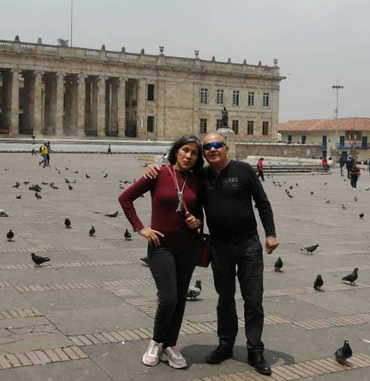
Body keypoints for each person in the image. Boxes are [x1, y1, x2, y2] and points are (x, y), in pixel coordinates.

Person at [146, 133, 278, 375]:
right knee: (224, 299)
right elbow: (178, 182)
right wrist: (152, 169)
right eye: (207, 147)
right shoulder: (201, 176)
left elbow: (263, 203)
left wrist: (270, 234)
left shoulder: (245, 171)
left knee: (253, 299)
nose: (212, 149)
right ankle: (225, 344)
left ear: (226, 148)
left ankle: (254, 350)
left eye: (217, 145)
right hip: (219, 246)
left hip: (248, 244)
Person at [119, 135, 204, 369]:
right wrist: (141, 228)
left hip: (188, 247)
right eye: (185, 150)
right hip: (161, 247)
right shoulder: (158, 174)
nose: (188, 156)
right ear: (176, 151)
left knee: (180, 299)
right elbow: (125, 198)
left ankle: (171, 345)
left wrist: (197, 222)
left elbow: (200, 212)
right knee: (168, 298)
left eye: (194, 153)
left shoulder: (198, 179)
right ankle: (157, 342)